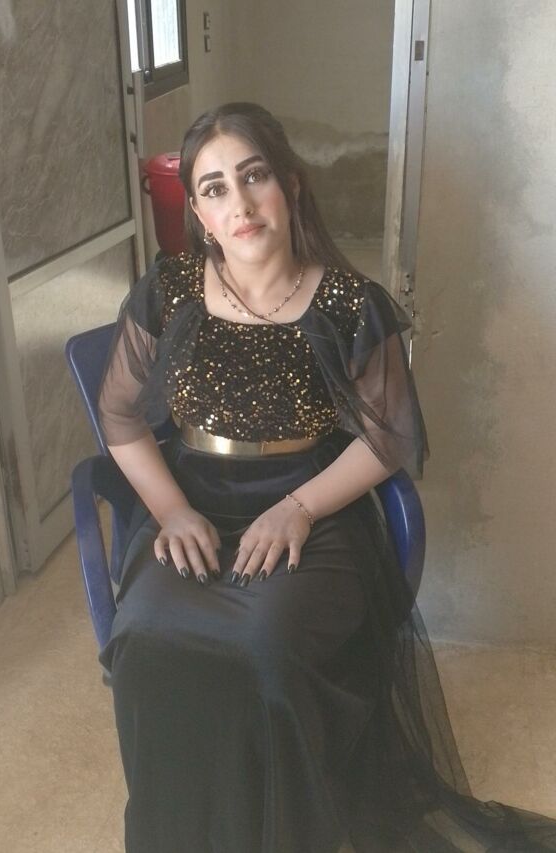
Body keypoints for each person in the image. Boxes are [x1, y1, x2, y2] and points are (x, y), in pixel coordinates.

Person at [97, 102, 556, 852]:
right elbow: (119, 415)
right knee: (145, 639)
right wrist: (170, 509)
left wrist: (301, 508)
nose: (240, 203)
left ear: (291, 185)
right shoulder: (169, 290)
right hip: (193, 503)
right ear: (200, 215)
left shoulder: (349, 301)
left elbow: (388, 437)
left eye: (254, 176)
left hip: (311, 507)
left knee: (267, 649)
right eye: (214, 188)